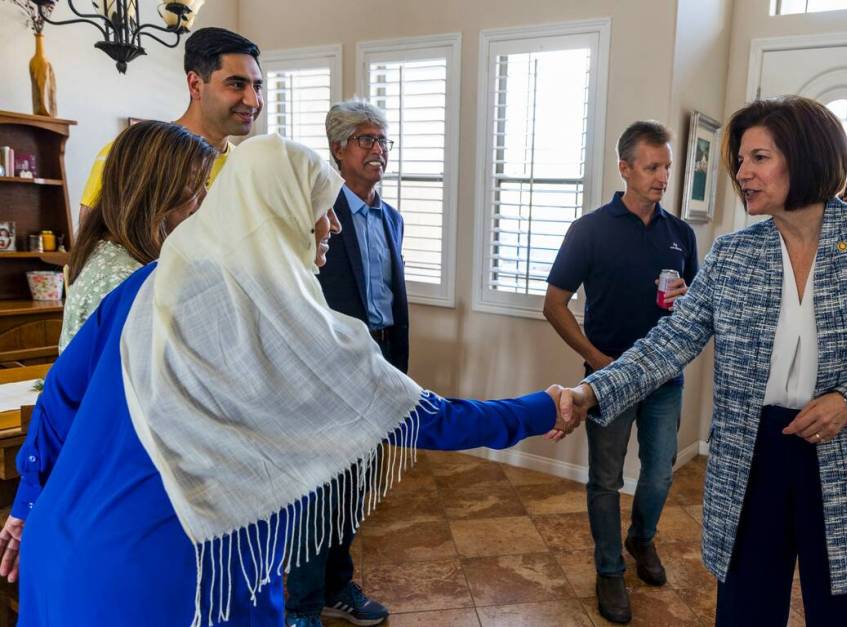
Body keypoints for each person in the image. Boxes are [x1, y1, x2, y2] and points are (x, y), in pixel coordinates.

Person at [0, 135, 582, 627]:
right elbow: (424, 418)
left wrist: (25, 503)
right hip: (171, 578)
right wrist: (542, 407)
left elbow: (60, 398)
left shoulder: (148, 284)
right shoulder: (294, 329)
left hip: (59, 550)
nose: (333, 224)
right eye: (321, 208)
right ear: (275, 211)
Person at [559, 96, 847, 626]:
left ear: (805, 156)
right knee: (747, 611)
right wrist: (592, 391)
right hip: (753, 456)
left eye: (758, 158)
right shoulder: (733, 253)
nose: (741, 174)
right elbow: (670, 341)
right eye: (739, 161)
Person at [543, 120, 697, 624]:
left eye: (667, 167)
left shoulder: (681, 235)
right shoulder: (589, 230)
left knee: (658, 473)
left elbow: (694, 310)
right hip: (606, 378)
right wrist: (600, 361)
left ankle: (641, 539)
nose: (662, 176)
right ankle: (609, 569)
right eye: (652, 167)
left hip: (664, 379)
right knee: (605, 480)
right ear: (625, 168)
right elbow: (555, 305)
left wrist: (686, 300)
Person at [283, 100, 407, 627]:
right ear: (337, 150)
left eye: (383, 141)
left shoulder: (391, 218)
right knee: (318, 491)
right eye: (366, 140)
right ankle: (302, 605)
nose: (377, 150)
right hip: (326, 370)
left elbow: (390, 300)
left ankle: (338, 586)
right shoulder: (315, 214)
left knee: (355, 489)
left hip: (378, 362)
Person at [59, 121, 216, 352]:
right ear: (151, 188)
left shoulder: (113, 254)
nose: (205, 198)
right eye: (194, 183)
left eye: (206, 183)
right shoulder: (125, 279)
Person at [78, 27, 262, 219]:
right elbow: (93, 243)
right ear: (195, 85)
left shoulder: (249, 167)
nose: (254, 101)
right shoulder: (132, 155)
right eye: (236, 84)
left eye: (257, 86)